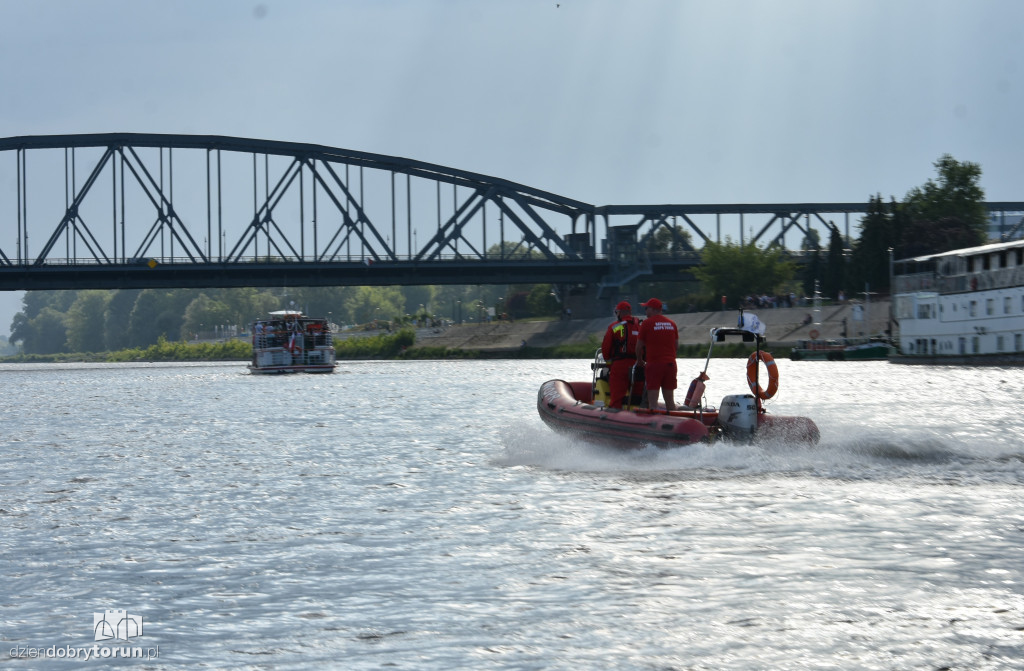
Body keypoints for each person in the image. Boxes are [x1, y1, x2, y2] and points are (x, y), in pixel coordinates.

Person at [636, 297, 679, 412]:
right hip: (670, 365)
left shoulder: (646, 324)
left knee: (653, 401)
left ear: (653, 309)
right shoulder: (672, 324)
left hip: (654, 365)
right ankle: (673, 423)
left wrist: (639, 360)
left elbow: (639, 346)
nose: (645, 311)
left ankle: (653, 425)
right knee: (670, 400)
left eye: (647, 308)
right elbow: (676, 346)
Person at [600, 301, 642, 409]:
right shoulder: (639, 326)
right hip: (638, 365)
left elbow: (606, 347)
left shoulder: (615, 327)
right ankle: (638, 418)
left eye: (616, 312)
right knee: (638, 397)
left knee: (617, 398)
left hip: (619, 365)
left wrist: (609, 365)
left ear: (620, 312)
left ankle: (615, 418)